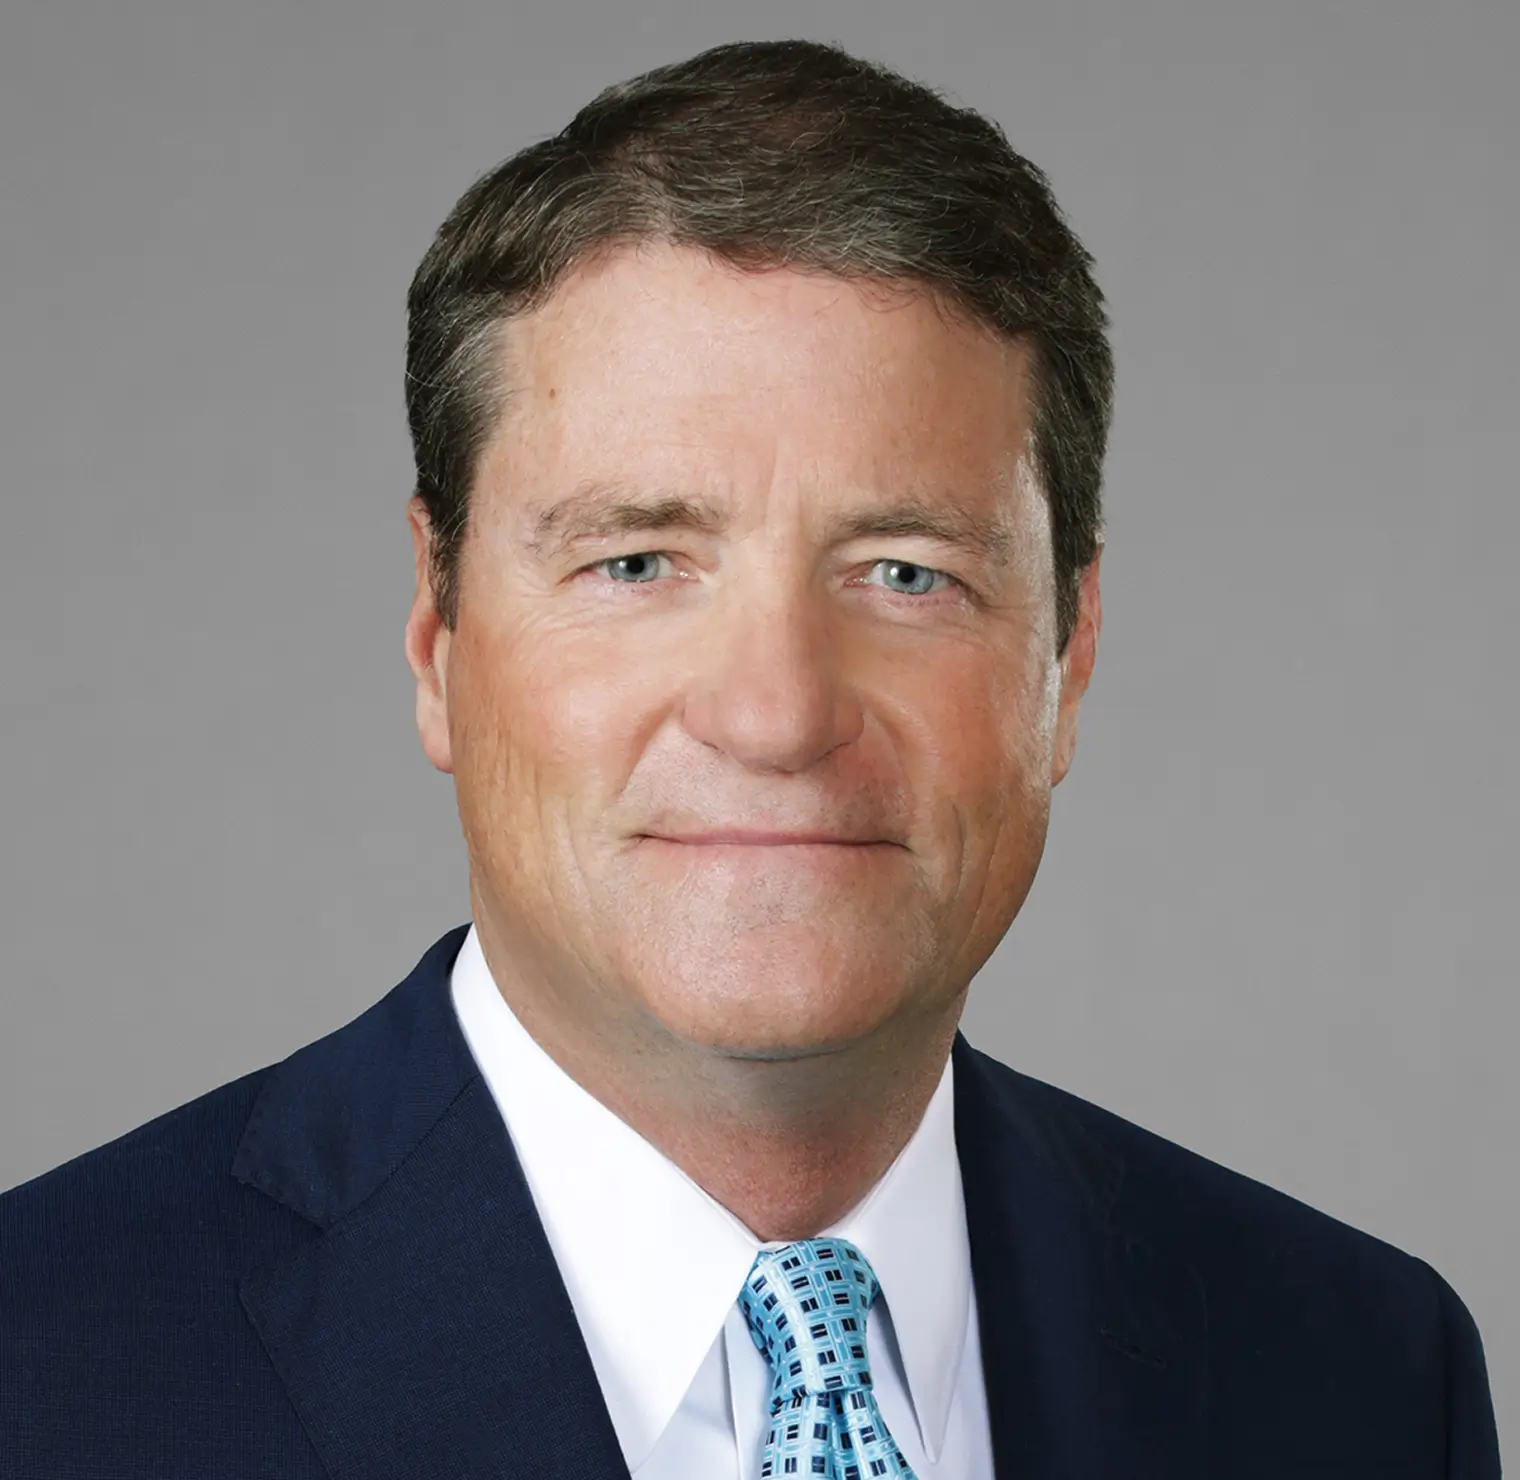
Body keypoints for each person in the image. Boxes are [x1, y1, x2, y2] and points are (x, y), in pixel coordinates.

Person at [0, 37, 1500, 1478]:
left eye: (906, 573)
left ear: (1071, 650)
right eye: (641, 562)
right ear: (438, 632)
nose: (777, 715)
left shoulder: (1362, 1376)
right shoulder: (43, 1370)